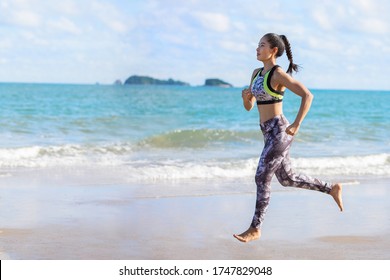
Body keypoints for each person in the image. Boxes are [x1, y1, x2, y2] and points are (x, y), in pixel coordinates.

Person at [233, 33, 343, 243]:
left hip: (279, 131)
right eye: (257, 45)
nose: (257, 49)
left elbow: (307, 95)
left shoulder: (277, 74)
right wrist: (245, 98)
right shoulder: (256, 73)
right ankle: (331, 188)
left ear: (273, 50)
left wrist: (297, 124)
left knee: (261, 175)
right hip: (267, 132)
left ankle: (256, 228)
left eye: (262, 45)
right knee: (287, 179)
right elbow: (249, 107)